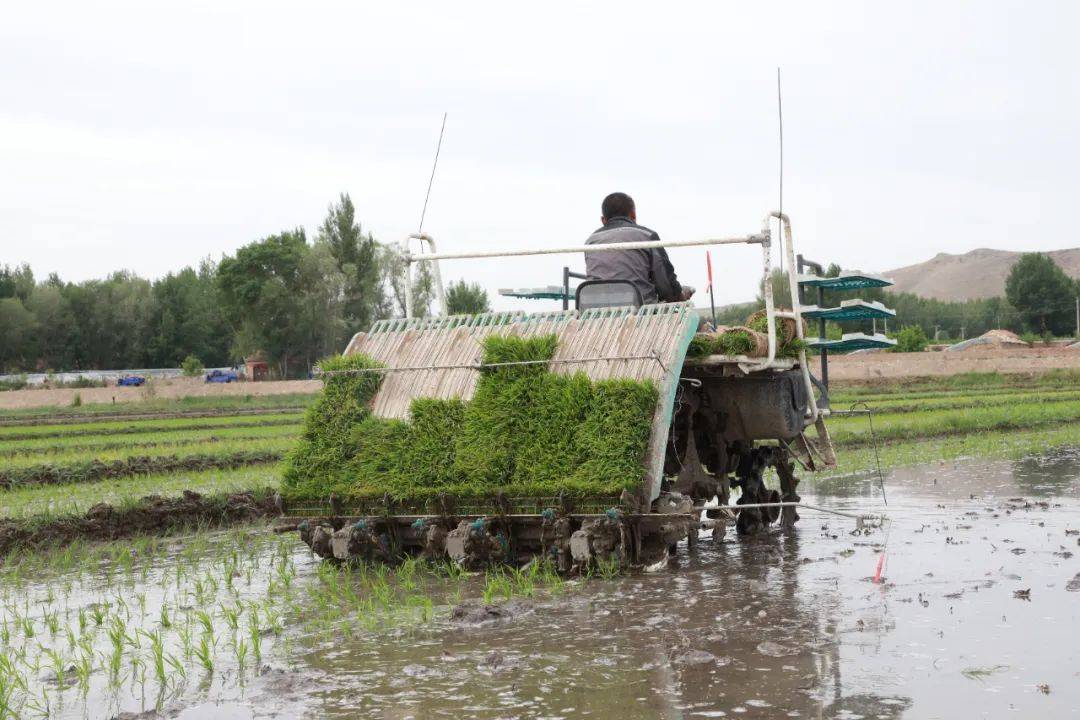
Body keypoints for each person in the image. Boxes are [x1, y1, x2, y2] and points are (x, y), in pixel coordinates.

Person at [584, 192, 693, 304]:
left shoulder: (590, 242)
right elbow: (667, 287)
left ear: (603, 220)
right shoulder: (647, 236)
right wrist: (681, 295)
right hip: (640, 313)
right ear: (633, 215)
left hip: (596, 312)